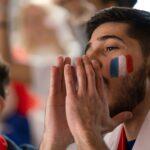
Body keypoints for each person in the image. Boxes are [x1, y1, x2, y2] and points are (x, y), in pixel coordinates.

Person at [40, 7, 150, 150]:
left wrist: (86, 132)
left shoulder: (92, 138)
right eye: (88, 52)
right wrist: (55, 140)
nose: (90, 62)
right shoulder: (107, 139)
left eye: (110, 48)